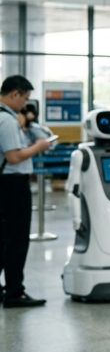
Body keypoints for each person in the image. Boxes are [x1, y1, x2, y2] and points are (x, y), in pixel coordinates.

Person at [0, 76, 51, 308]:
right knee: (17, 239)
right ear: (14, 94)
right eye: (25, 99)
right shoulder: (7, 121)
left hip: (5, 183)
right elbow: (14, 156)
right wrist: (38, 147)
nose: (25, 105)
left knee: (4, 238)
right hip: (12, 184)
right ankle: (14, 291)